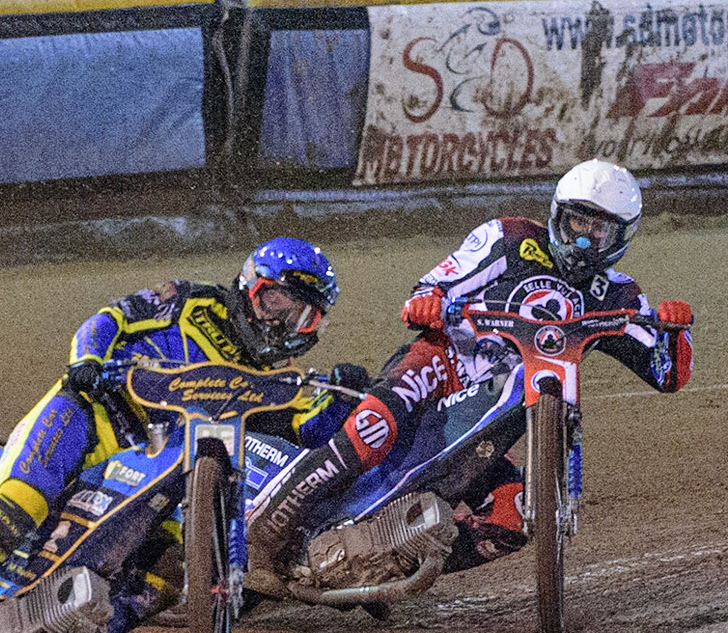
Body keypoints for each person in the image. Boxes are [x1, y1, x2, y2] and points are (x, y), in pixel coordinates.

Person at [0, 237, 354, 633]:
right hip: (89, 416)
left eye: (301, 315)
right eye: (276, 302)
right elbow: (109, 318)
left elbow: (308, 429)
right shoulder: (190, 300)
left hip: (153, 476)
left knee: (164, 575)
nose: (280, 323)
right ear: (249, 287)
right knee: (14, 508)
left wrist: (346, 396)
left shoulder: (280, 382)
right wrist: (87, 363)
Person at [246, 159, 694, 591]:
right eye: (578, 222)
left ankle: (391, 559)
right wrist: (429, 301)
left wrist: (676, 330)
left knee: (514, 516)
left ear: (622, 236)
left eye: (600, 231)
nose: (584, 239)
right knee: (371, 430)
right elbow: (434, 285)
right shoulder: (508, 239)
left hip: (497, 418)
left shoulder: (618, 294)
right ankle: (266, 532)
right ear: (559, 214)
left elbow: (668, 373)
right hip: (441, 365)